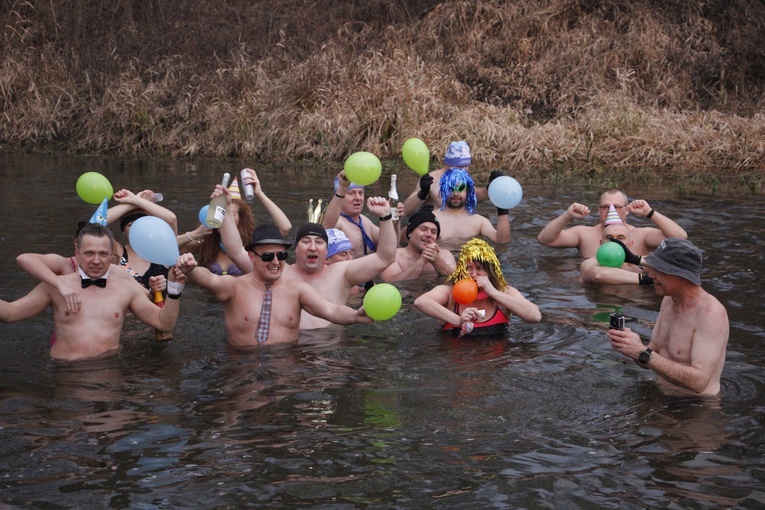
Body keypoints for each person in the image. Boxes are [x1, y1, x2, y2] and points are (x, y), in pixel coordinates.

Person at [0, 224, 184, 361]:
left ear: (112, 254)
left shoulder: (125, 287)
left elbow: (164, 323)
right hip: (65, 372)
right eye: (89, 253)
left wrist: (174, 290)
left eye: (103, 254)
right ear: (77, 251)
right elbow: (9, 312)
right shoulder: (55, 287)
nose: (96, 260)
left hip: (109, 370)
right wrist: (60, 285)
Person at [219, 189, 398, 329]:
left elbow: (386, 257)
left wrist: (385, 216)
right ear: (296, 249)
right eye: (306, 241)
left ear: (326, 250)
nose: (313, 247)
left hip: (330, 348)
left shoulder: (342, 272)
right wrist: (226, 211)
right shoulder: (275, 270)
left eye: (319, 242)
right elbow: (235, 250)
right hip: (288, 347)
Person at [175, 224, 373, 347]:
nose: (276, 262)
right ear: (252, 257)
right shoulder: (234, 287)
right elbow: (209, 279)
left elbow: (331, 310)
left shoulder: (297, 290)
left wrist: (356, 316)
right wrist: (190, 269)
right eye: (268, 256)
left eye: (282, 256)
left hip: (286, 368)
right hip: (241, 366)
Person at [607, 238, 729, 395]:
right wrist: (629, 347)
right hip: (660, 394)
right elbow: (650, 358)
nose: (651, 275)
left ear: (680, 275)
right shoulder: (669, 301)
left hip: (695, 408)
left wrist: (642, 353)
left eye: (658, 270)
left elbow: (699, 382)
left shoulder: (711, 313)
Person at [414, 238, 541, 337]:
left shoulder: (503, 291)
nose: (473, 275)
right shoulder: (450, 293)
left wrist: (494, 293)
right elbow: (421, 301)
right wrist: (458, 320)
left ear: (490, 272)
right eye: (468, 268)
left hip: (495, 363)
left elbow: (535, 316)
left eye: (480, 268)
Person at [189, 168, 291, 276]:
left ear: (241, 218)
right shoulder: (206, 243)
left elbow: (285, 228)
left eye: (230, 213)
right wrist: (194, 234)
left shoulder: (253, 242)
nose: (223, 218)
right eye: (220, 212)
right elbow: (174, 248)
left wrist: (259, 194)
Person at [537, 189, 688, 259]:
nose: (609, 211)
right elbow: (545, 240)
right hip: (593, 291)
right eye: (604, 207)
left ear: (627, 210)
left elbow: (680, 237)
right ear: (598, 210)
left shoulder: (642, 235)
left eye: (616, 207)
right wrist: (567, 215)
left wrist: (650, 213)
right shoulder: (584, 233)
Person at [321, 171, 403, 257]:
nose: (358, 198)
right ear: (341, 196)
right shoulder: (338, 222)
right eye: (351, 193)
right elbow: (326, 229)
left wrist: (394, 219)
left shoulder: (364, 220)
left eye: (360, 193)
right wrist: (342, 188)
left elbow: (392, 245)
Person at [112, 188, 179, 290]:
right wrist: (132, 203)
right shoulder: (119, 252)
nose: (137, 229)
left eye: (142, 224)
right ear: (123, 230)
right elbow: (95, 224)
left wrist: (135, 200)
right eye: (131, 225)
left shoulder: (161, 251)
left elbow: (171, 219)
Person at [402, 140, 491, 216]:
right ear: (448, 164)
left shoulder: (463, 177)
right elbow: (405, 211)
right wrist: (422, 194)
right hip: (437, 230)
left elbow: (475, 196)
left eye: (466, 166)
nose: (463, 170)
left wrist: (490, 188)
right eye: (460, 167)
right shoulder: (432, 180)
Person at [579, 205, 654, 285]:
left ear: (630, 244)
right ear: (601, 243)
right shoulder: (590, 263)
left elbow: (666, 264)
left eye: (620, 238)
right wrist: (646, 279)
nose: (615, 242)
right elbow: (598, 275)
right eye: (609, 237)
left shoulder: (639, 266)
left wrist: (635, 259)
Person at [431, 168, 511, 243]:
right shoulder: (431, 218)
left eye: (461, 188)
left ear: (468, 192)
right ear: (444, 191)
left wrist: (502, 209)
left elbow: (502, 241)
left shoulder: (479, 222)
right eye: (451, 189)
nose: (455, 194)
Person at [381, 205, 456, 282]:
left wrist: (437, 261)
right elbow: (390, 282)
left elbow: (457, 280)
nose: (429, 235)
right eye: (423, 229)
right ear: (410, 233)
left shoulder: (446, 256)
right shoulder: (393, 256)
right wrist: (422, 261)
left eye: (433, 232)